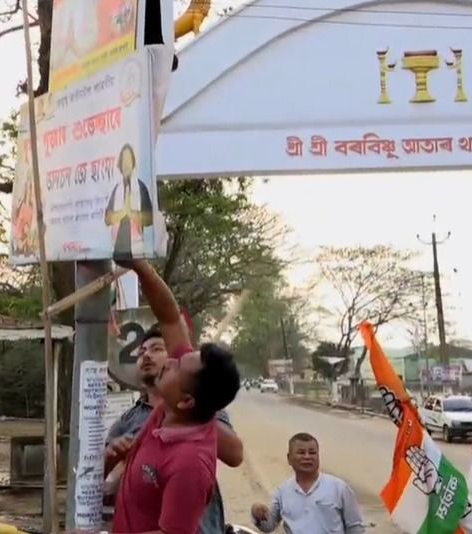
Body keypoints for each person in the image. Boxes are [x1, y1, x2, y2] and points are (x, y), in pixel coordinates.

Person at [107, 259, 242, 534]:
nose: (170, 360)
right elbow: (169, 316)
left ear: (186, 402)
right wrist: (140, 266)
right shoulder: (166, 413)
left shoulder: (189, 463)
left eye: (177, 365)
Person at [251, 433, 365, 534]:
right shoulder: (283, 492)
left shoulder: (339, 488)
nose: (307, 457)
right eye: (301, 453)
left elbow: (355, 527)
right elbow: (269, 526)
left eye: (312, 453)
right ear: (289, 458)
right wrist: (258, 514)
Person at [104, 145, 154, 260]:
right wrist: (123, 212)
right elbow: (108, 219)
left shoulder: (140, 187)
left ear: (133, 164)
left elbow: (149, 219)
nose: (126, 164)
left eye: (129, 160)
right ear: (120, 164)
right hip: (116, 249)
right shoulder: (116, 189)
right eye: (124, 160)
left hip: (136, 251)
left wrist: (131, 213)